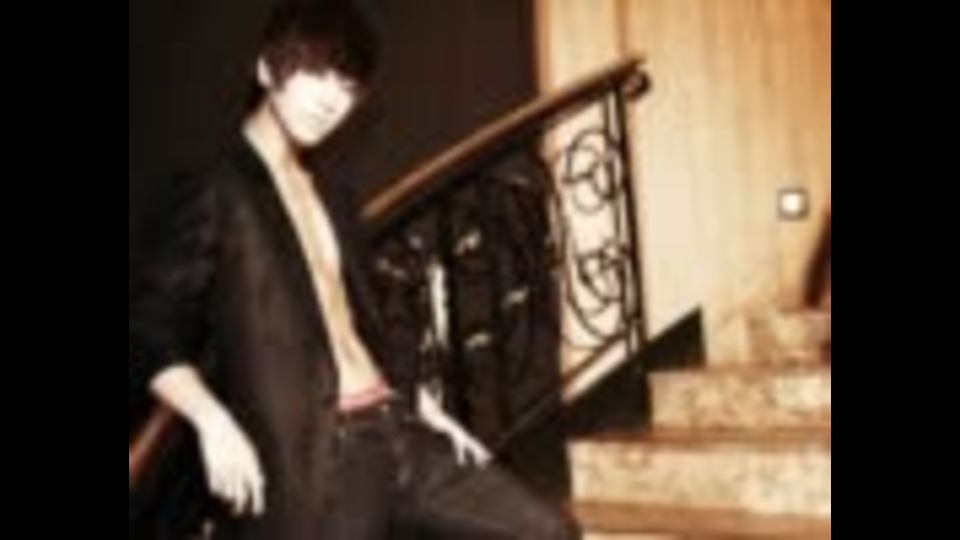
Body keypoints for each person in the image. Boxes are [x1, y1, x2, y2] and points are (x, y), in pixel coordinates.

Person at [129, 0, 581, 538]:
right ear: (267, 70)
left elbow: (363, 324)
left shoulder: (332, 195)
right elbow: (148, 330)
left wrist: (429, 412)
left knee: (548, 531)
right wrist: (212, 421)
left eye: (346, 86)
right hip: (324, 457)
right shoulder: (214, 191)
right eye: (314, 74)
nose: (330, 100)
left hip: (397, 428)